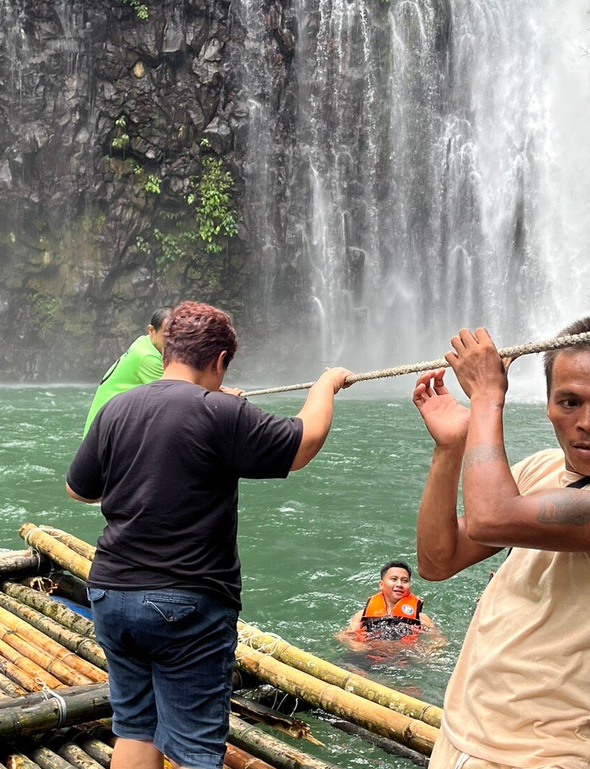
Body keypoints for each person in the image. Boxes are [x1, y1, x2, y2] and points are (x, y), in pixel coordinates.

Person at [66, 301, 353, 769]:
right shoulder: (219, 412)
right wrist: (326, 384)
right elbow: (304, 442)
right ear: (220, 361)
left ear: (167, 352)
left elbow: (78, 490)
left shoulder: (118, 408)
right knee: (196, 748)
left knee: (136, 728)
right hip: (184, 602)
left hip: (111, 591)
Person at [412, 315, 590, 769]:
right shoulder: (539, 469)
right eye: (569, 401)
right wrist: (450, 448)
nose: (587, 422)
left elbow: (491, 519)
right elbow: (438, 560)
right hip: (459, 738)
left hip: (545, 756)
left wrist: (486, 397)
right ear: (547, 405)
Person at [83, 308, 172, 435]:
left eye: (175, 334)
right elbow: (172, 397)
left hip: (102, 423)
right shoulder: (148, 358)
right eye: (166, 334)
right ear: (151, 330)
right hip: (106, 428)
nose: (172, 339)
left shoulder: (143, 342)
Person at [343, 560, 437, 641]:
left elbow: (437, 639)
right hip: (368, 654)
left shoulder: (420, 618)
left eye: (404, 581)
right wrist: (358, 647)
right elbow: (345, 636)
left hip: (403, 658)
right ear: (381, 584)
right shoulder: (362, 615)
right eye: (394, 579)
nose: (399, 584)